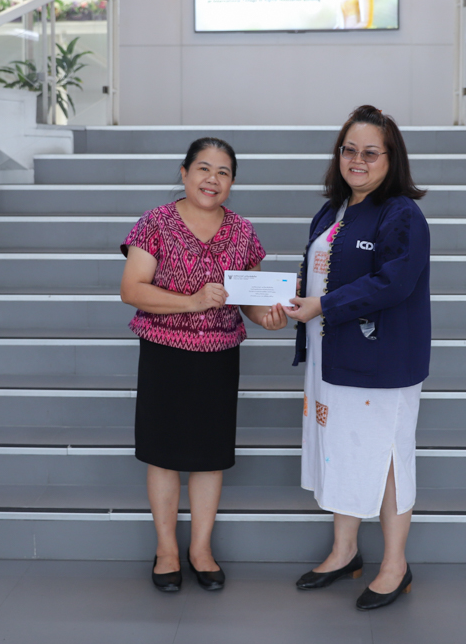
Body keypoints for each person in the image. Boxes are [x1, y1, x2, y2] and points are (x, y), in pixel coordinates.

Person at [119, 137, 288, 593]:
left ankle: (201, 549)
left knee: (210, 458)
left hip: (219, 356)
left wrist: (268, 318)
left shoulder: (243, 232)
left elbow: (250, 300)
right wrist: (192, 301)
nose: (212, 179)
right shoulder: (155, 222)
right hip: (165, 353)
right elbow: (132, 289)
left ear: (232, 183)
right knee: (163, 455)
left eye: (223, 172)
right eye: (203, 168)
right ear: (184, 173)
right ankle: (166, 550)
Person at [283, 105, 431, 611]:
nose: (357, 160)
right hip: (331, 357)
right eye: (349, 150)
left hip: (381, 363)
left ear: (391, 158)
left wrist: (321, 306)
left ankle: (395, 565)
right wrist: (288, 300)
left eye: (371, 152)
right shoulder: (332, 211)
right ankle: (345, 551)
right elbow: (320, 275)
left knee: (387, 460)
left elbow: (393, 283)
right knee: (340, 452)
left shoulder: (402, 214)